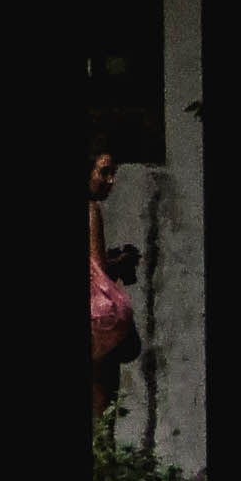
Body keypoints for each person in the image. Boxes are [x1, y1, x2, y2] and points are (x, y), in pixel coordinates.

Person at [88, 146, 139, 418]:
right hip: (97, 323)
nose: (111, 180)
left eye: (113, 173)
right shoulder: (91, 209)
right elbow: (98, 269)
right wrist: (121, 262)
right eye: (103, 172)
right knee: (102, 408)